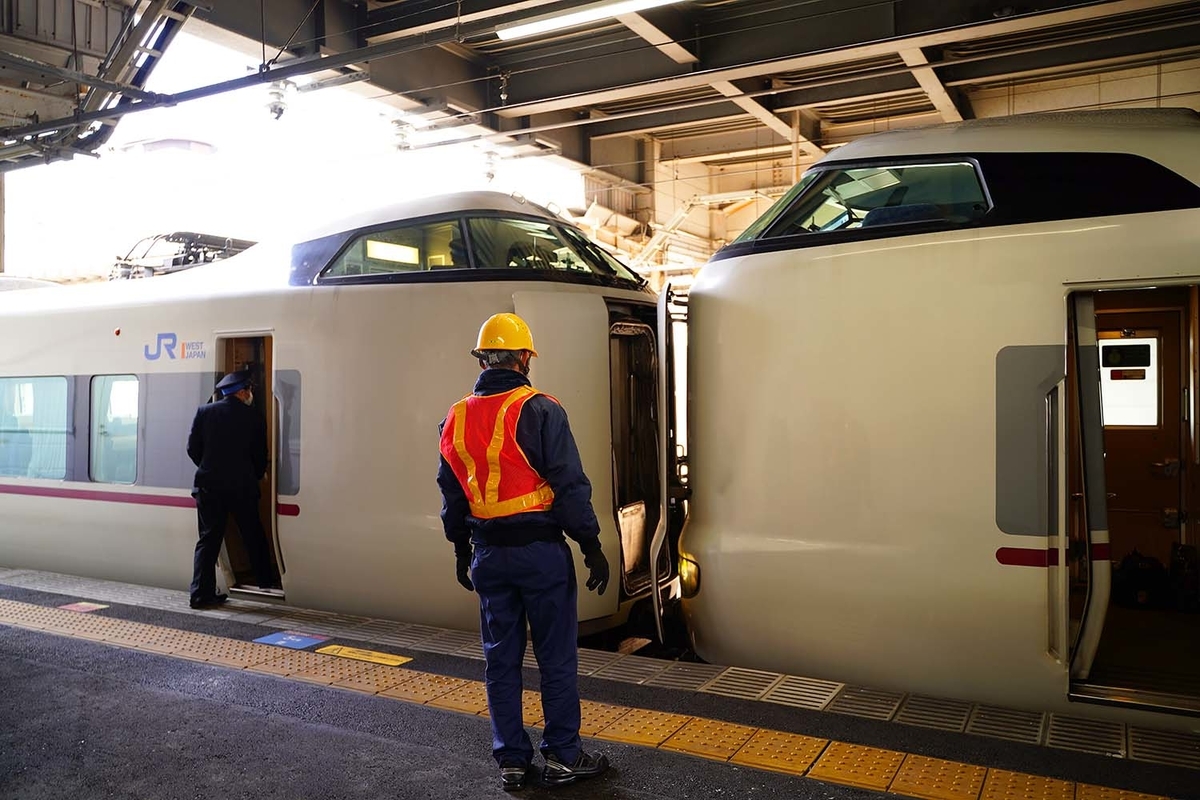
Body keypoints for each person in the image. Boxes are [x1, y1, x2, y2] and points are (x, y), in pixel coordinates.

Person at [437, 313, 612, 792]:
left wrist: (459, 548)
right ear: (523, 359)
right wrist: (591, 543)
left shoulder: (456, 416)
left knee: (500, 659)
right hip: (540, 554)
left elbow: (452, 492)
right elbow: (568, 483)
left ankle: (512, 760)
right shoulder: (540, 409)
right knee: (555, 657)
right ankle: (563, 756)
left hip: (487, 555)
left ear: (482, 358)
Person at [186, 370, 279, 609]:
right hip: (242, 487)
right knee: (253, 534)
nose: (251, 395)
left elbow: (192, 449)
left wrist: (209, 469)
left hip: (208, 487)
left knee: (208, 541)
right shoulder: (254, 417)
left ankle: (200, 594)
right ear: (242, 392)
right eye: (249, 390)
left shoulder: (204, 412)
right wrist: (256, 475)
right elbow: (260, 455)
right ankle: (265, 582)